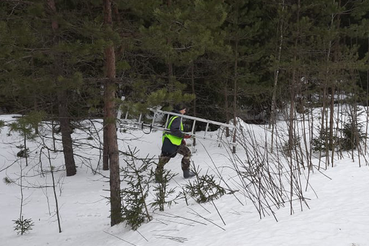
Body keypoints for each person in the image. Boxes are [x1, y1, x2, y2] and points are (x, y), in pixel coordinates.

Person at [155, 104, 195, 182]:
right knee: (165, 159)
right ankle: (186, 173)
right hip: (172, 142)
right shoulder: (177, 118)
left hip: (172, 141)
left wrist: (181, 139)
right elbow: (174, 130)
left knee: (164, 159)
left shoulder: (173, 117)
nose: (185, 111)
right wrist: (183, 135)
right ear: (180, 110)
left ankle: (158, 177)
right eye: (184, 109)